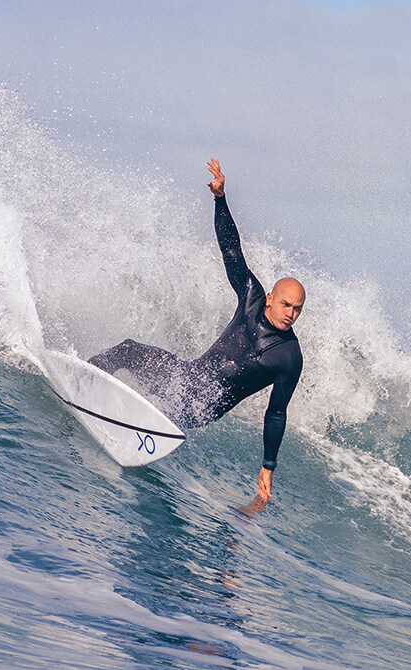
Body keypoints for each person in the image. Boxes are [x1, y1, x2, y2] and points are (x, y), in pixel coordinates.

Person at [90, 159, 304, 503]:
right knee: (128, 349)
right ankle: (85, 377)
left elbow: (276, 412)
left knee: (167, 404)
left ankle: (130, 422)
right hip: (186, 377)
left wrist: (268, 467)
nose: (291, 314)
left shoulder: (288, 358)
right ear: (270, 299)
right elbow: (231, 250)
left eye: (297, 310)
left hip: (200, 406)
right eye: (286, 305)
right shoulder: (250, 297)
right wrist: (220, 198)